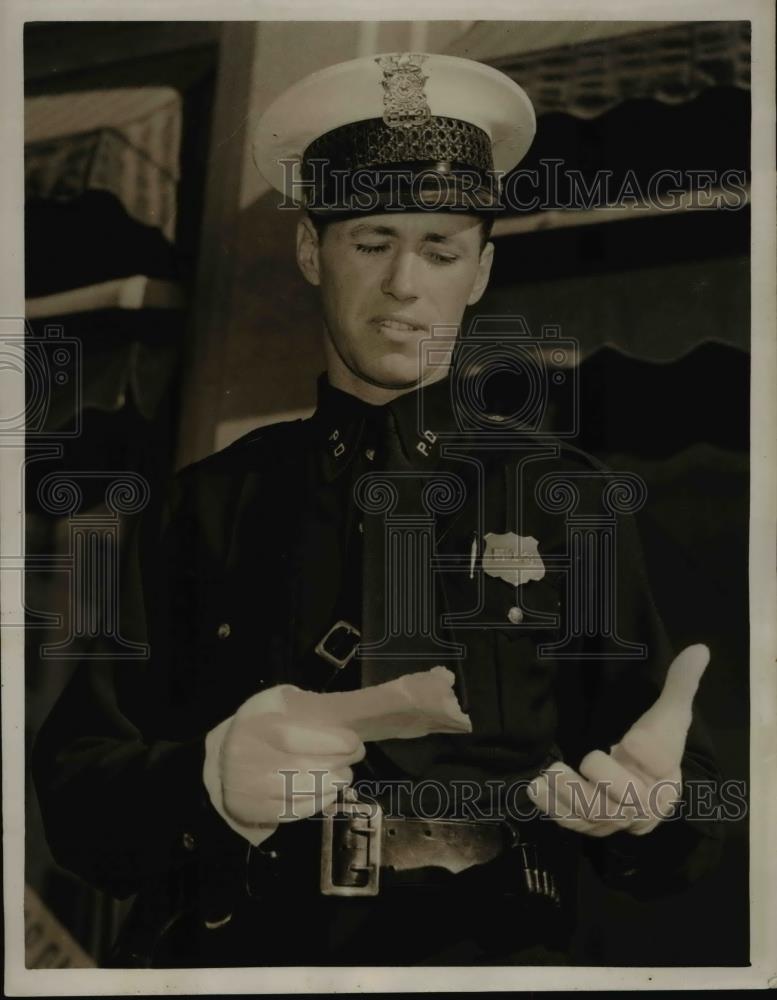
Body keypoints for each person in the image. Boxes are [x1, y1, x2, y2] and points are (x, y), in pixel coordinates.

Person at [32, 51, 724, 968]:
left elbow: (689, 807)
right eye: (371, 241)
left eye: (439, 249)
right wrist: (205, 786)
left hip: (495, 953)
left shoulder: (571, 502)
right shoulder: (203, 505)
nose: (404, 284)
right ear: (312, 252)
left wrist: (655, 815)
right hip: (243, 953)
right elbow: (79, 792)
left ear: (479, 270)